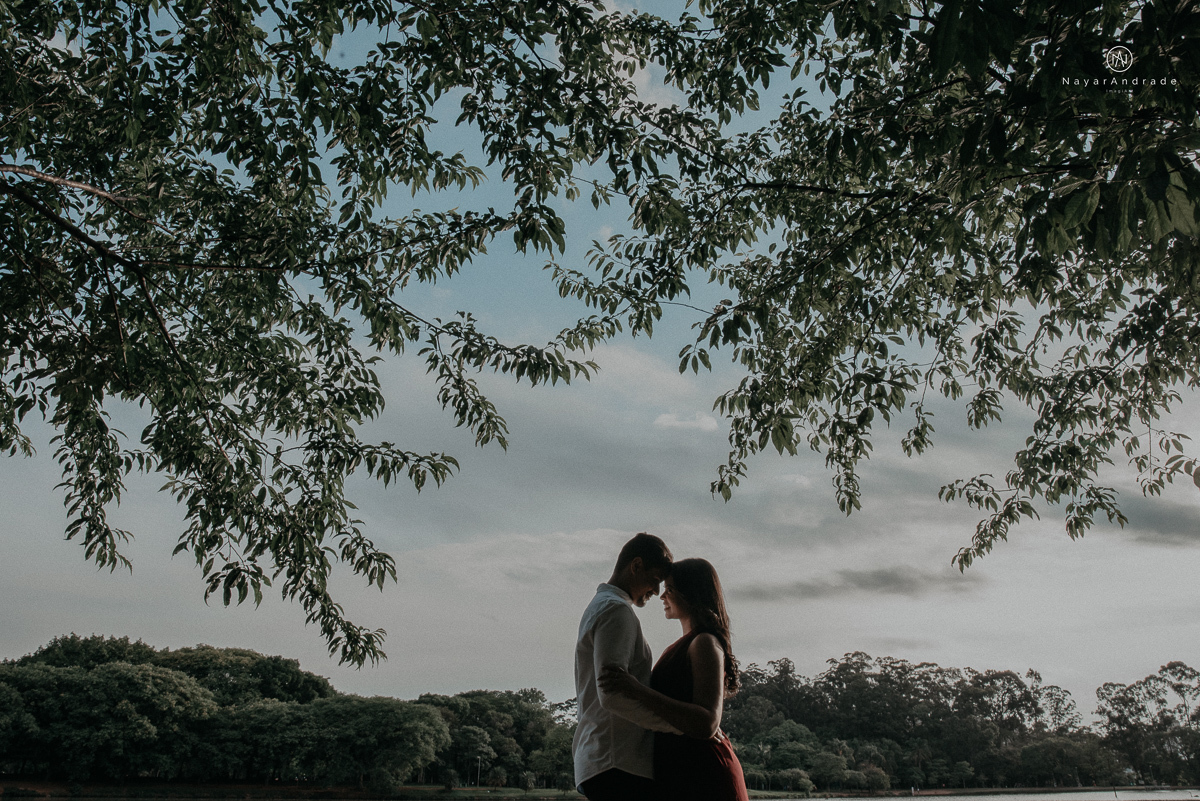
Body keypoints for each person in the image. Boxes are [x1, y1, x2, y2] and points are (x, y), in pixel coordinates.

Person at [598, 557, 749, 801]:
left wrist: (635, 690)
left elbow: (707, 722)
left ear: (690, 594)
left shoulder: (704, 643)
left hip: (704, 773)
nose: (661, 596)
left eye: (669, 589)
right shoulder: (682, 645)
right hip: (680, 771)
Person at [573, 532, 679, 801]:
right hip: (616, 761)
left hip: (605, 759)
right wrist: (676, 726)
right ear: (636, 566)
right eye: (655, 580)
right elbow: (612, 695)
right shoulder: (616, 610)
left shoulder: (601, 606)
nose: (656, 592)